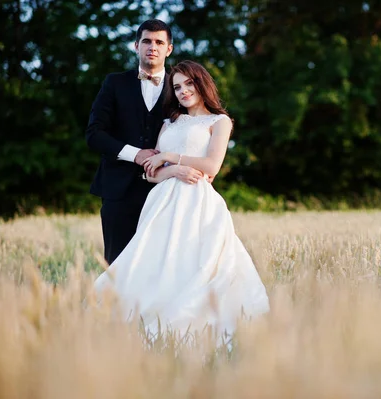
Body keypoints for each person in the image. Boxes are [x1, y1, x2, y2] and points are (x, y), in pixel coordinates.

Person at [93, 60, 270, 343]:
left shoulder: (220, 122)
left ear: (202, 84)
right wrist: (172, 169)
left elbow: (211, 166)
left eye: (189, 84)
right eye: (176, 87)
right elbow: (151, 175)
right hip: (161, 202)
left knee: (195, 262)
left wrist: (168, 157)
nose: (183, 91)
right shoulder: (168, 123)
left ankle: (193, 321)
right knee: (157, 262)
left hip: (197, 201)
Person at [86, 19, 206, 265]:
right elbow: (95, 134)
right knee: (117, 266)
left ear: (169, 49)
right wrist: (136, 154)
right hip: (118, 190)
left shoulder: (181, 87)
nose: (153, 47)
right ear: (136, 46)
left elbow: (201, 127)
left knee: (162, 267)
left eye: (159, 42)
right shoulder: (114, 83)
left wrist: (204, 167)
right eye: (147, 41)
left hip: (168, 191)